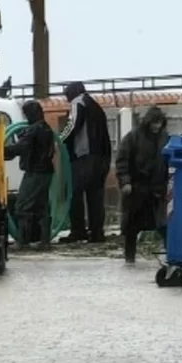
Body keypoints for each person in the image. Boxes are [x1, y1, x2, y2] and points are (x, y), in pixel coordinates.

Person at [58, 82, 112, 243]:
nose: (67, 99)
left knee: (75, 193)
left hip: (84, 157)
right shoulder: (96, 106)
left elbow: (72, 125)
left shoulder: (78, 102)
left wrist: (59, 140)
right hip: (102, 158)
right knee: (95, 195)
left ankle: (78, 230)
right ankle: (97, 232)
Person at [115, 106, 169, 264]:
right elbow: (122, 161)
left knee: (163, 225)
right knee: (131, 228)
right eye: (154, 123)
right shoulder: (133, 138)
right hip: (137, 189)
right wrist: (125, 182)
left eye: (159, 123)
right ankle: (129, 258)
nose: (156, 126)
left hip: (157, 189)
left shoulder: (165, 138)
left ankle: (171, 257)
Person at [4, 99, 56, 249]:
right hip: (46, 171)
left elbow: (20, 148)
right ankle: (45, 241)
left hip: (35, 172)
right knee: (42, 206)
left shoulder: (33, 130)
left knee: (22, 206)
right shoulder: (45, 128)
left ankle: (23, 241)